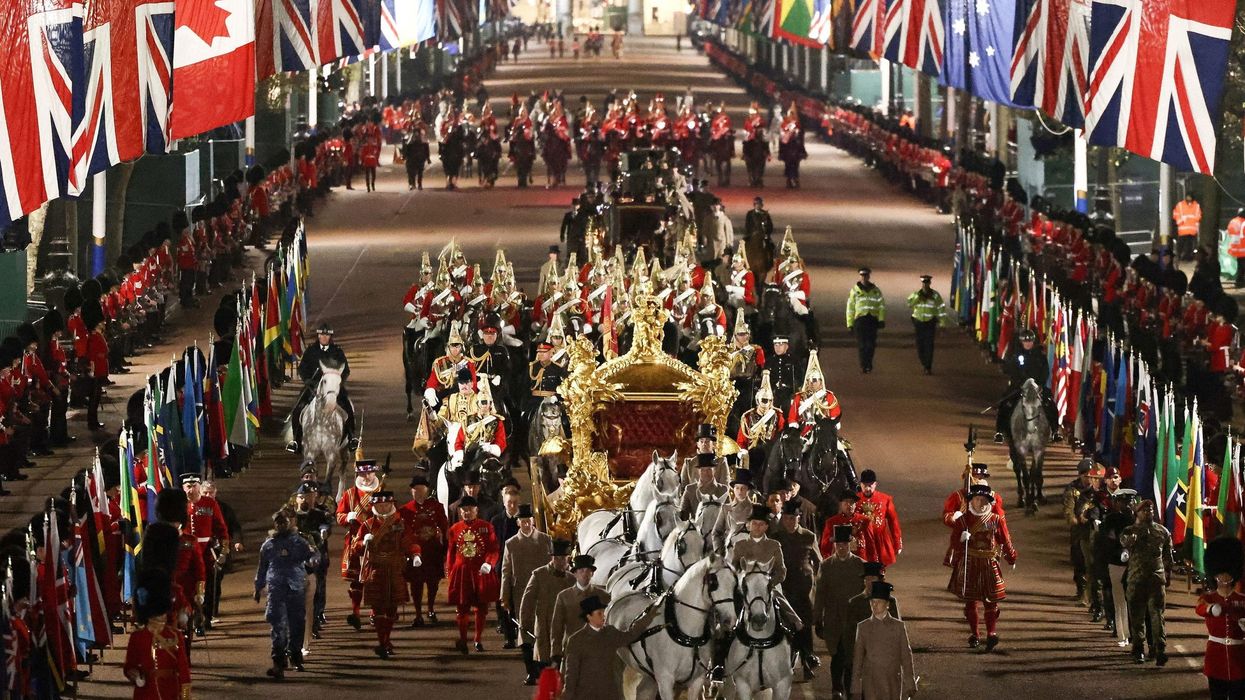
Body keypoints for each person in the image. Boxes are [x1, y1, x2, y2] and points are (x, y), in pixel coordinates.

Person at [947, 484, 1016, 650]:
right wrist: (961, 538)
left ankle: (991, 633)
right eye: (978, 499)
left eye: (984, 499)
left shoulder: (996, 520)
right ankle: (975, 634)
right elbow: (954, 543)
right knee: (971, 602)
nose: (981, 502)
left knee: (991, 601)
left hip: (989, 563)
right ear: (972, 500)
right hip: (970, 562)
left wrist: (1011, 557)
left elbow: (1005, 540)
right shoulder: (963, 519)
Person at [352, 490, 420, 658]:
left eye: (386, 505)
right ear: (374, 506)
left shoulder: (400, 523)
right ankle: (382, 642)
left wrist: (415, 554)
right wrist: (363, 541)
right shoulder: (367, 525)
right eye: (379, 505)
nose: (383, 508)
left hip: (395, 569)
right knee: (379, 609)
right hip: (376, 570)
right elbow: (356, 548)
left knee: (391, 610)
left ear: (392, 504)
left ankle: (386, 640)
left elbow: (409, 542)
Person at [560, 593, 663, 700]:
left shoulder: (610, 633)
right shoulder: (576, 640)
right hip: (585, 694)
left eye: (603, 612)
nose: (603, 615)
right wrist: (568, 696)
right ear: (589, 616)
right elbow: (571, 674)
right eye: (599, 613)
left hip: (609, 693)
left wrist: (648, 617)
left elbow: (630, 635)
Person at [254, 510, 318, 678]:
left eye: (284, 522)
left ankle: (295, 655)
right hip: (276, 589)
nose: (281, 525)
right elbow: (262, 567)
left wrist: (313, 560)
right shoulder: (268, 545)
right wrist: (258, 587)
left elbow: (313, 554)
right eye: (278, 522)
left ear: (290, 523)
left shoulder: (299, 542)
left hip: (295, 587)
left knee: (297, 623)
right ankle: (278, 662)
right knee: (278, 626)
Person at [814, 525, 866, 699]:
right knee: (836, 654)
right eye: (839, 544)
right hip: (833, 618)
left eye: (845, 544)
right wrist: (817, 619)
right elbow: (820, 593)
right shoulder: (826, 565)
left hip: (854, 620)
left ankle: (848, 689)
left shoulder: (860, 565)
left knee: (850, 656)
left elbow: (867, 593)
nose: (842, 548)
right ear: (834, 545)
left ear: (850, 544)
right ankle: (837, 688)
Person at [1119, 498, 1173, 665]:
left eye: (1150, 510)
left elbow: (1168, 558)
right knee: (1139, 617)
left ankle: (1157, 649)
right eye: (1145, 510)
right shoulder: (1130, 531)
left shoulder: (1162, 531)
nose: (1149, 512)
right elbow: (1124, 548)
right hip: (1140, 580)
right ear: (1137, 513)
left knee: (1155, 615)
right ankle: (1141, 649)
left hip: (1150, 580)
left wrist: (1167, 576)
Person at [287, 322, 356, 453]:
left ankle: (351, 437)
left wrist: (338, 381)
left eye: (327, 335)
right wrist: (308, 380)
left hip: (332, 387)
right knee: (297, 408)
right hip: (313, 386)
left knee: (347, 407)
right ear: (318, 336)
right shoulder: (311, 351)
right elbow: (302, 368)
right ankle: (296, 440)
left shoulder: (337, 351)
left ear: (330, 337)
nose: (324, 337)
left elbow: (345, 370)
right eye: (321, 335)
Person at [124, 570, 191, 699]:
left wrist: (185, 695)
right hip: (146, 692)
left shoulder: (174, 635)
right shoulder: (137, 637)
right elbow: (129, 665)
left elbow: (184, 670)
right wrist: (134, 674)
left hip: (170, 690)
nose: (164, 617)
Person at [446, 496, 501, 654]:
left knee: (481, 608)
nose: (466, 512)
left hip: (480, 571)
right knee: (462, 608)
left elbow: (493, 549)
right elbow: (450, 553)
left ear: (476, 510)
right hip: (461, 572)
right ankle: (463, 639)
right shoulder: (454, 529)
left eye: (470, 509)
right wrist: (449, 573)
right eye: (464, 510)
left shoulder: (486, 527)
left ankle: (477, 639)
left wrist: (489, 563)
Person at [774, 499, 822, 679]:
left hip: (804, 590)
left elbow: (819, 562)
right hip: (785, 590)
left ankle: (808, 659)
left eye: (793, 518)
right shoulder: (776, 538)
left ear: (799, 518)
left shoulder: (808, 536)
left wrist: (819, 584)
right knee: (787, 627)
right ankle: (788, 662)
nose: (789, 521)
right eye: (786, 518)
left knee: (806, 626)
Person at [335, 459, 383, 630]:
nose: (366, 476)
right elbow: (339, 515)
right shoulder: (349, 494)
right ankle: (355, 612)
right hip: (356, 540)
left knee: (375, 579)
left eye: (369, 473)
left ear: (374, 473)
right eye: (362, 473)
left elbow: (391, 513)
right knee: (356, 580)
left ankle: (374, 613)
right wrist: (348, 517)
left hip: (377, 540)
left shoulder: (381, 490)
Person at [519, 540, 575, 685]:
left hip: (565, 627)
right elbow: (528, 601)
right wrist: (525, 622)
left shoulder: (572, 579)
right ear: (552, 558)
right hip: (545, 625)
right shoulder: (539, 575)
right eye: (559, 558)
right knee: (546, 662)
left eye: (564, 558)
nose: (562, 562)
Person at [1196, 537, 1245, 699]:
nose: (1224, 577)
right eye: (1220, 573)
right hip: (1216, 658)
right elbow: (1200, 608)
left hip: (1239, 658)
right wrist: (1211, 609)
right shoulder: (1208, 598)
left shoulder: (1242, 599)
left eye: (1227, 573)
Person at [849, 582, 917, 700]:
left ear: (887, 605)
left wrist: (910, 683)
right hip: (871, 681)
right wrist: (856, 688)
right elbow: (858, 658)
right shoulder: (863, 627)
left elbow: (906, 655)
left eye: (878, 602)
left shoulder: (898, 626)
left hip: (892, 681)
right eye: (872, 602)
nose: (874, 606)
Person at [399, 470, 449, 627]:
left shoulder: (436, 507)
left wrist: (445, 544)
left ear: (426, 490)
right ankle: (418, 613)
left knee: (433, 583)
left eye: (421, 489)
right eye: (415, 490)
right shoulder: (405, 510)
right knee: (416, 584)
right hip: (415, 554)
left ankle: (431, 609)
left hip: (433, 551)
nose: (419, 493)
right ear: (411, 491)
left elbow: (444, 525)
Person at [499, 504, 552, 650]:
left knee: (543, 623)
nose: (526, 524)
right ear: (518, 523)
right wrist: (504, 596)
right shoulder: (511, 544)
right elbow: (506, 572)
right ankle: (530, 663)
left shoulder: (546, 540)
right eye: (523, 521)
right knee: (525, 624)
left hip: (543, 590)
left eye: (528, 520)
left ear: (533, 521)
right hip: (520, 589)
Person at [993, 328, 1058, 443]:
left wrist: (1039, 385)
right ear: (1021, 342)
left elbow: (1045, 372)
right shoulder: (1016, 355)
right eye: (1025, 341)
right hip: (1019, 386)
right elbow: (1010, 370)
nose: (1028, 343)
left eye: (1030, 341)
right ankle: (999, 432)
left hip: (1037, 387)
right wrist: (1019, 383)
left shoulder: (1040, 356)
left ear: (1033, 342)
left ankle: (1055, 431)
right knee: (1005, 403)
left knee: (1050, 403)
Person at [290, 481, 332, 643]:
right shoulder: (291, 515)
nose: (306, 500)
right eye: (303, 497)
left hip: (317, 558)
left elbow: (326, 525)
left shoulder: (319, 514)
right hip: (297, 561)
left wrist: (323, 531)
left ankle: (314, 623)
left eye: (309, 497)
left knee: (317, 590)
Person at [1062, 458, 1098, 607]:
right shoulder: (1072, 490)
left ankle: (1089, 594)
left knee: (1092, 563)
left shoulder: (1097, 490)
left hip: (1093, 531)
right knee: (1078, 561)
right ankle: (1081, 589)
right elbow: (1068, 510)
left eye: (1091, 475)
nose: (1089, 479)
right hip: (1078, 531)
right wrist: (1075, 520)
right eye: (1086, 475)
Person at [857, 470, 902, 567]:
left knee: (880, 570)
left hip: (880, 542)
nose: (868, 488)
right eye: (865, 485)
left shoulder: (885, 499)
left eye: (870, 485)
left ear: (875, 484)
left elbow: (893, 522)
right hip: (862, 543)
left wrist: (897, 542)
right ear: (861, 485)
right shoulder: (855, 500)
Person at [846, 267, 885, 374]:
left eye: (866, 276)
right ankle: (864, 365)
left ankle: (869, 363)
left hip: (872, 320)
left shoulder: (876, 291)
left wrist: (881, 320)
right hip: (860, 320)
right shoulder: (855, 291)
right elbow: (850, 308)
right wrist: (850, 324)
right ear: (860, 276)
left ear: (869, 276)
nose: (864, 278)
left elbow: (881, 306)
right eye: (862, 276)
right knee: (862, 344)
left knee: (871, 344)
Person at [906, 274, 947, 374]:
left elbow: (941, 309)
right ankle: (924, 361)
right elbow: (909, 304)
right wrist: (917, 297)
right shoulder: (916, 294)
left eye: (927, 283)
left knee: (929, 345)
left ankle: (928, 366)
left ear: (930, 283)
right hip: (918, 322)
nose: (925, 285)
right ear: (922, 284)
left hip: (930, 322)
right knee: (920, 345)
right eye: (924, 283)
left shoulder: (935, 296)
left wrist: (942, 324)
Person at [711, 468, 757, 552]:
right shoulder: (726, 508)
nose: (740, 491)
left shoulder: (755, 508)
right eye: (737, 488)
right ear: (733, 489)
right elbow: (716, 532)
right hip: (729, 549)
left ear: (748, 490)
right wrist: (719, 551)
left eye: (743, 488)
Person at [1173, 192, 1202, 261]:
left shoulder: (1196, 206)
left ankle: (1187, 257)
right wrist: (1180, 221)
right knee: (1181, 245)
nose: (1189, 198)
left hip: (1191, 231)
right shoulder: (1180, 205)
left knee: (1189, 246)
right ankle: (1180, 256)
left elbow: (1198, 216)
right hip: (1183, 230)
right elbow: (1176, 215)